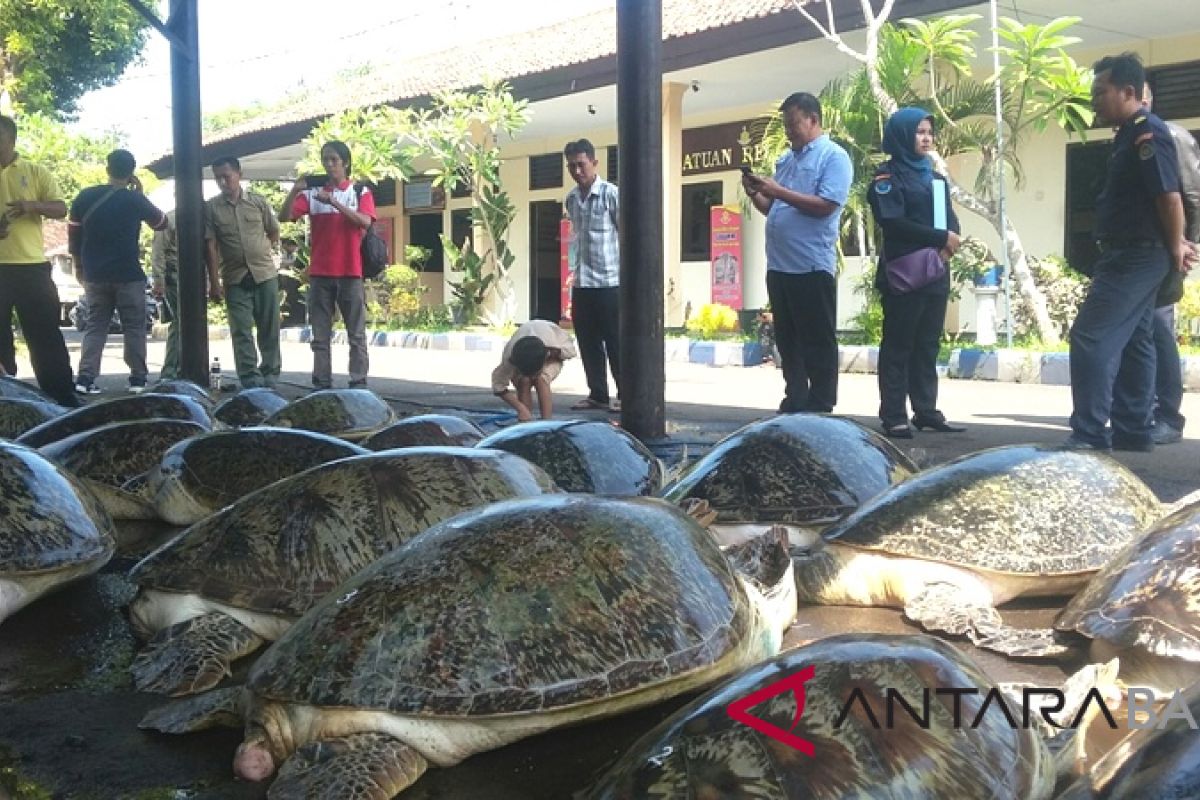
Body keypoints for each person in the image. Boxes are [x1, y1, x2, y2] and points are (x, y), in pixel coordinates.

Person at [1065, 53, 1186, 451]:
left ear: (1129, 92)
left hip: (1136, 256)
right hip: (1133, 253)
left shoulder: (1147, 133)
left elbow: (1169, 197)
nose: (1095, 101)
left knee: (1090, 337)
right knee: (1137, 339)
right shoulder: (1127, 134)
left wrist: (1176, 247)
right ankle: (1134, 431)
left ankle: (1089, 434)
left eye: (1101, 93)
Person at [742, 92, 852, 413]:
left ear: (813, 120)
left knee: (817, 338)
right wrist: (756, 194)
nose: (788, 131)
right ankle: (796, 396)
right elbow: (773, 209)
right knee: (788, 339)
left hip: (811, 265)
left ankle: (821, 402)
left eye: (793, 124)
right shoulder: (787, 160)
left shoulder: (833, 157)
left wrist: (776, 190)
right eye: (786, 125)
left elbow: (826, 206)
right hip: (779, 266)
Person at [865, 108, 964, 439]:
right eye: (919, 132)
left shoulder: (934, 178)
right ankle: (894, 414)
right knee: (898, 344)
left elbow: (949, 220)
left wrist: (950, 241)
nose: (926, 138)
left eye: (929, 132)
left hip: (935, 271)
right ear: (902, 135)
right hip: (904, 274)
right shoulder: (886, 178)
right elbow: (893, 222)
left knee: (927, 344)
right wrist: (940, 239)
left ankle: (926, 410)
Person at [68, 149, 167, 395]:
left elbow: (73, 235)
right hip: (128, 274)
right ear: (131, 172)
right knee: (134, 327)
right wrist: (140, 194)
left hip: (95, 274)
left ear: (107, 168)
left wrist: (79, 266)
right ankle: (137, 380)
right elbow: (161, 223)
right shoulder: (134, 199)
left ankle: (85, 378)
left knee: (96, 326)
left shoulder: (86, 196)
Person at [280, 141, 375, 390]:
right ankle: (321, 382)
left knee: (356, 333)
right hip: (320, 273)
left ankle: (358, 381)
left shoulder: (359, 191)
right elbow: (284, 216)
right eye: (325, 160)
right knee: (320, 335)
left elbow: (364, 221)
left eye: (334, 159)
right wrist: (295, 190)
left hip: (350, 271)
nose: (329, 164)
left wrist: (334, 202)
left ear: (345, 162)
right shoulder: (313, 194)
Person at [0, 115, 81, 406]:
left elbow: (61, 208)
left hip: (31, 267)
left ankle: (61, 394)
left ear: (11, 140)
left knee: (44, 331)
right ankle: (6, 395)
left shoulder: (36, 172)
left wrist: (30, 206)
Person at [1143, 82, 1200, 445]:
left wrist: (1187, 246)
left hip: (1167, 255)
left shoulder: (1172, 137)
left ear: (1142, 98)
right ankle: (1140, 410)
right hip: (1135, 256)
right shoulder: (1128, 142)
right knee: (1138, 334)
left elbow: (1192, 194)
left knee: (1159, 332)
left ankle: (1168, 416)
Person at [205, 156, 281, 389]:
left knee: (269, 327)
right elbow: (211, 245)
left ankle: (270, 373)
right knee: (241, 330)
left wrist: (262, 253)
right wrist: (214, 282)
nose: (223, 182)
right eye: (218, 177)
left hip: (264, 273)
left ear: (239, 174)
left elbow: (273, 231)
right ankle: (249, 377)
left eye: (227, 176)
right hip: (234, 277)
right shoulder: (212, 207)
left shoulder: (257, 202)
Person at [563, 138, 621, 412]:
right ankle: (598, 394)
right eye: (571, 166)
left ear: (594, 163)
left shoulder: (611, 194)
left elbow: (626, 233)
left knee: (616, 341)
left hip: (610, 282)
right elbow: (576, 237)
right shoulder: (571, 199)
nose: (577, 171)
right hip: (583, 281)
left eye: (581, 164)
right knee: (587, 341)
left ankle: (625, 395)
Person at [492, 319, 577, 422]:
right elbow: (498, 386)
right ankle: (525, 420)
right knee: (524, 380)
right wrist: (520, 408)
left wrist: (554, 354)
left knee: (541, 379)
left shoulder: (556, 342)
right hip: (530, 354)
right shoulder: (510, 356)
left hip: (552, 356)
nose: (532, 377)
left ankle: (547, 421)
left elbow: (572, 352)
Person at [150, 210, 180, 380]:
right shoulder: (169, 219)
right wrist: (159, 280)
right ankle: (170, 370)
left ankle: (180, 368)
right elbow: (158, 252)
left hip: (195, 277)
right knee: (179, 325)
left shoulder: (203, 218)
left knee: (187, 325)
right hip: (174, 277)